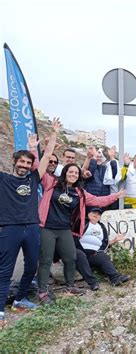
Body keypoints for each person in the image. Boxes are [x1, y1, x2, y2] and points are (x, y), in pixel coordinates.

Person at [37, 162, 126, 303]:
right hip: (47, 227)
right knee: (46, 259)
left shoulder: (79, 193)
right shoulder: (52, 184)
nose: (73, 174)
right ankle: (42, 292)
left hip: (65, 229)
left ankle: (70, 287)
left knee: (71, 257)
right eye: (70, 172)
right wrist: (33, 149)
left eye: (76, 173)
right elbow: (39, 167)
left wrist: (116, 196)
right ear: (65, 172)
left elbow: (98, 200)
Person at [0, 121, 60, 328]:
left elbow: (46, 157)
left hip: (32, 227)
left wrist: (53, 134)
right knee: (5, 270)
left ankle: (19, 300)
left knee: (31, 266)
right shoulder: (4, 179)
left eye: (28, 163)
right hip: (11, 228)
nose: (25, 165)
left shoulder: (33, 178)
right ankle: (0, 311)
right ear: (14, 162)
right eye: (22, 162)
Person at [74, 208, 129, 290]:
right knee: (79, 255)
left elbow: (105, 244)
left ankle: (115, 278)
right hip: (81, 251)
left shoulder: (101, 227)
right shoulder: (81, 223)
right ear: (88, 214)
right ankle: (93, 283)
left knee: (103, 257)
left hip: (94, 253)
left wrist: (115, 240)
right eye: (94, 212)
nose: (96, 215)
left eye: (98, 214)